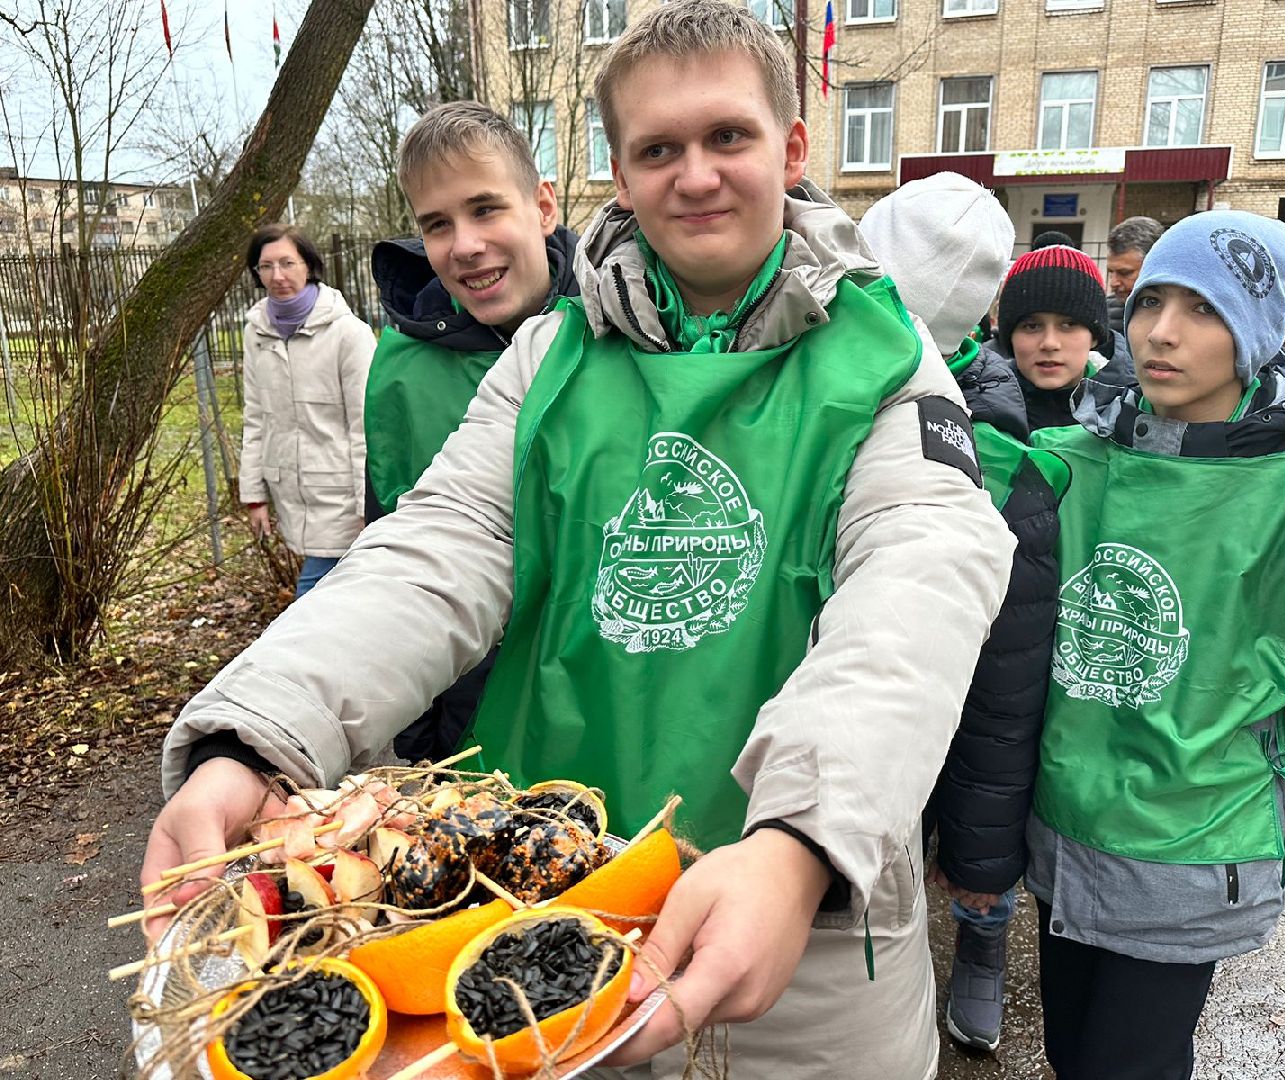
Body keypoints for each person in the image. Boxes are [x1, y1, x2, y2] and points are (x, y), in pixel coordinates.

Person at [140, 4, 1015, 1078]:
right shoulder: (547, 359)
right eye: (658, 149)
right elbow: (439, 550)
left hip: (803, 934)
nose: (694, 175)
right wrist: (256, 737)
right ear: (620, 170)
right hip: (544, 905)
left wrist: (800, 846)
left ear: (792, 148)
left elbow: (918, 593)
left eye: (727, 137)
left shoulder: (890, 361)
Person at [1026, 210, 1285, 1079]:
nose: (1162, 332)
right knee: (1068, 1054)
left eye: (1205, 309)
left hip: (1191, 861)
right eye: (1151, 299)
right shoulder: (1064, 463)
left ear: (1259, 331)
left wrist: (1219, 767)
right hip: (1059, 842)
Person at [862, 174, 1061, 1054]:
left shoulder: (1002, 456)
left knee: (973, 788)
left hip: (961, 689)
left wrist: (985, 868)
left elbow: (1007, 683)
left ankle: (982, 936)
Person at [364, 102, 581, 763]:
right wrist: (419, 729)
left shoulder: (621, 335)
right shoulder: (398, 367)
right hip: (468, 728)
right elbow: (388, 535)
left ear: (542, 207)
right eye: (437, 224)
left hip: (601, 710)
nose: (463, 244)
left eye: (486, 209)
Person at [238, 224, 374, 598]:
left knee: (312, 597)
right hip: (292, 495)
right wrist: (254, 496)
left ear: (309, 266)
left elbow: (368, 426)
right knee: (340, 603)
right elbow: (255, 417)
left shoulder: (348, 334)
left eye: (287, 263)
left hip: (343, 498)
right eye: (266, 266)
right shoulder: (257, 332)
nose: (277, 276)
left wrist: (369, 509)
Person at [992, 244, 1130, 431]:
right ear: (1010, 337)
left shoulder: (1134, 409)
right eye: (1032, 326)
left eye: (1069, 325)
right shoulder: (975, 407)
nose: (1049, 343)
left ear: (1095, 336)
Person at [1103, 215, 1164, 336]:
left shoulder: (1188, 317)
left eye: (1125, 273)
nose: (1113, 283)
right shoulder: (1101, 315)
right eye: (1111, 272)